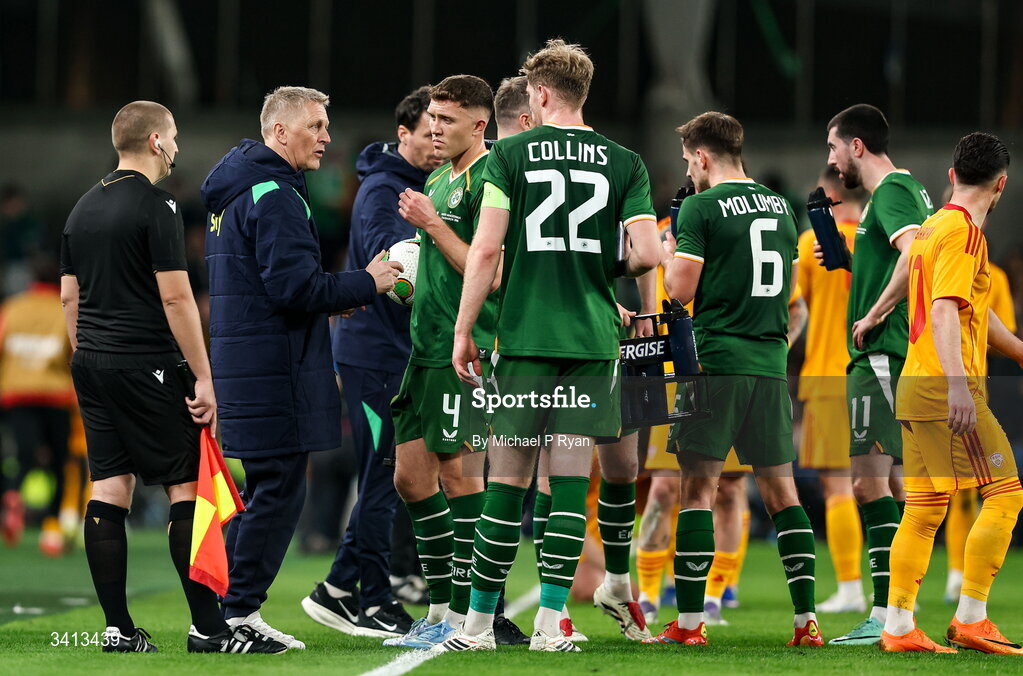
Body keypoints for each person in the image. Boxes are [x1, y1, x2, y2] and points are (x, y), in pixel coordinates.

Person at [443, 39, 661, 653]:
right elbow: (647, 254)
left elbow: (486, 250)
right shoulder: (625, 162)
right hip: (591, 342)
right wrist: (602, 267)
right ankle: (551, 623)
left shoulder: (509, 154)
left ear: (538, 94)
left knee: (507, 480)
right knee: (568, 480)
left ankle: (479, 627)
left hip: (527, 338)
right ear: (581, 93)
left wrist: (465, 331)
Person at [61, 100, 284, 654]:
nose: (178, 147)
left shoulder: (81, 208)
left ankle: (118, 629)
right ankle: (209, 629)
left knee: (110, 488)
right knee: (186, 486)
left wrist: (89, 355)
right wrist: (203, 377)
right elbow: (176, 295)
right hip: (150, 364)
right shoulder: (159, 203)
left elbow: (70, 295)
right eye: (175, 137)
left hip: (92, 362)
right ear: (157, 141)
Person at [202, 86, 400, 649]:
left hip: (249, 360)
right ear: (280, 131)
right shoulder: (275, 193)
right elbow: (292, 287)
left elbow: (278, 285)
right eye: (315, 125)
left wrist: (340, 293)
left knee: (268, 489)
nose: (327, 137)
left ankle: (220, 602)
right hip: (273, 365)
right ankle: (234, 613)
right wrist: (369, 280)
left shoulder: (239, 189)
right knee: (280, 490)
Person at [641, 112, 820, 648]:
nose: (687, 173)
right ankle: (805, 621)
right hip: (769, 366)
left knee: (697, 489)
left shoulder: (699, 206)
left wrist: (669, 255)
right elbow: (786, 296)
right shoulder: (781, 208)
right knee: (783, 493)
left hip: (716, 360)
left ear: (700, 156)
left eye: (686, 162)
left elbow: (680, 290)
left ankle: (690, 624)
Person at [301, 85, 440, 640]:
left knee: (392, 476)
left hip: (394, 352)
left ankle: (337, 589)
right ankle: (375, 598)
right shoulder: (386, 190)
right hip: (375, 354)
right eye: (428, 131)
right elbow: (399, 269)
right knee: (385, 476)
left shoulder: (416, 185)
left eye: (444, 129)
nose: (437, 140)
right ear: (403, 133)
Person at [882, 132, 1023, 654]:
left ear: (951, 175)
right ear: (1002, 184)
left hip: (916, 384)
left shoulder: (932, 227)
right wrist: (961, 388)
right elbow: (944, 309)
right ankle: (972, 617)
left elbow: (973, 315)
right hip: (947, 388)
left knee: (923, 508)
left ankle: (898, 627)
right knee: (1006, 492)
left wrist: (1019, 351)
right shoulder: (965, 234)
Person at [377, 73, 498, 650]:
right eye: (432, 118)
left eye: (446, 120)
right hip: (423, 352)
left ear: (481, 123)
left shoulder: (489, 180)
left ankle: (471, 617)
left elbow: (489, 269)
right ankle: (444, 609)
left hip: (462, 353)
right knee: (409, 477)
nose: (434, 128)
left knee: (458, 475)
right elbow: (441, 271)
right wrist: (394, 286)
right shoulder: (440, 178)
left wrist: (431, 224)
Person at [822, 104, 933, 646]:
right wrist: (850, 264)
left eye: (833, 147)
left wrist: (875, 312)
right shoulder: (895, 196)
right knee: (886, 482)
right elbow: (898, 255)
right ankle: (895, 615)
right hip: (879, 355)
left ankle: (888, 614)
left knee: (870, 483)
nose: (831, 158)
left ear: (857, 147)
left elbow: (916, 257)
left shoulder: (890, 192)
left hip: (882, 354)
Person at [796, 166, 867, 614]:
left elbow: (794, 307)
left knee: (837, 486)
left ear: (830, 193)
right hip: (875, 373)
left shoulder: (809, 245)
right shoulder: (883, 241)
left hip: (827, 371)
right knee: (888, 483)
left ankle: (851, 586)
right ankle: (898, 588)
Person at [0, 254, 74, 554]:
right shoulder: (64, 308)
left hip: (17, 394)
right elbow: (75, 350)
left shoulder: (12, 308)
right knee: (58, 462)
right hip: (55, 396)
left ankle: (14, 493)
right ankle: (51, 530)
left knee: (25, 456)